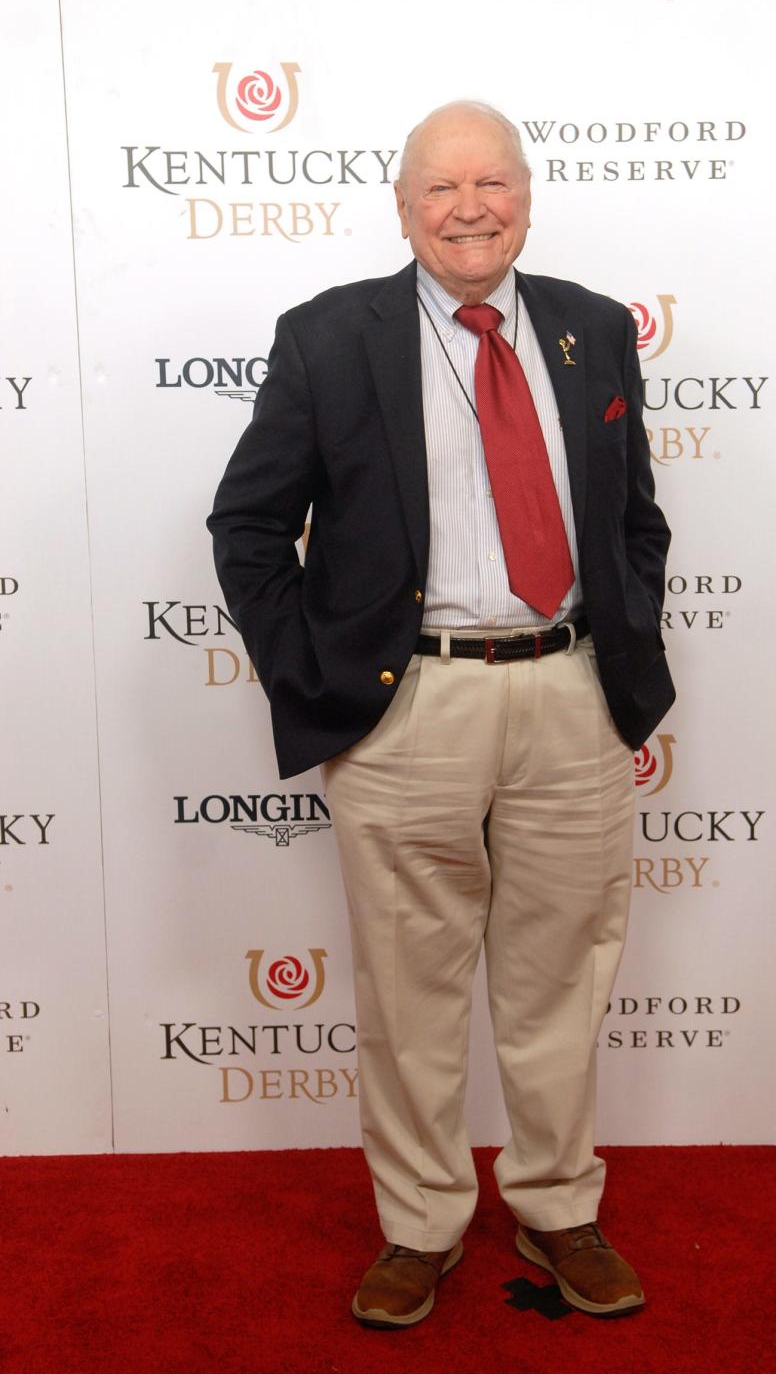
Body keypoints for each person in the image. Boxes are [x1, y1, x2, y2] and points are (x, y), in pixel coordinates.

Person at [208, 99, 674, 1327]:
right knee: (410, 990)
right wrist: (309, 668)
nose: (471, 208)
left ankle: (560, 1207)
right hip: (406, 708)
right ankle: (420, 1224)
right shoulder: (327, 338)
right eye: (442, 188)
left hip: (570, 699)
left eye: (494, 183)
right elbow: (248, 525)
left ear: (528, 192)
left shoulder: (588, 328)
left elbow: (634, 517)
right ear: (403, 205)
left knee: (560, 979)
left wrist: (627, 657)